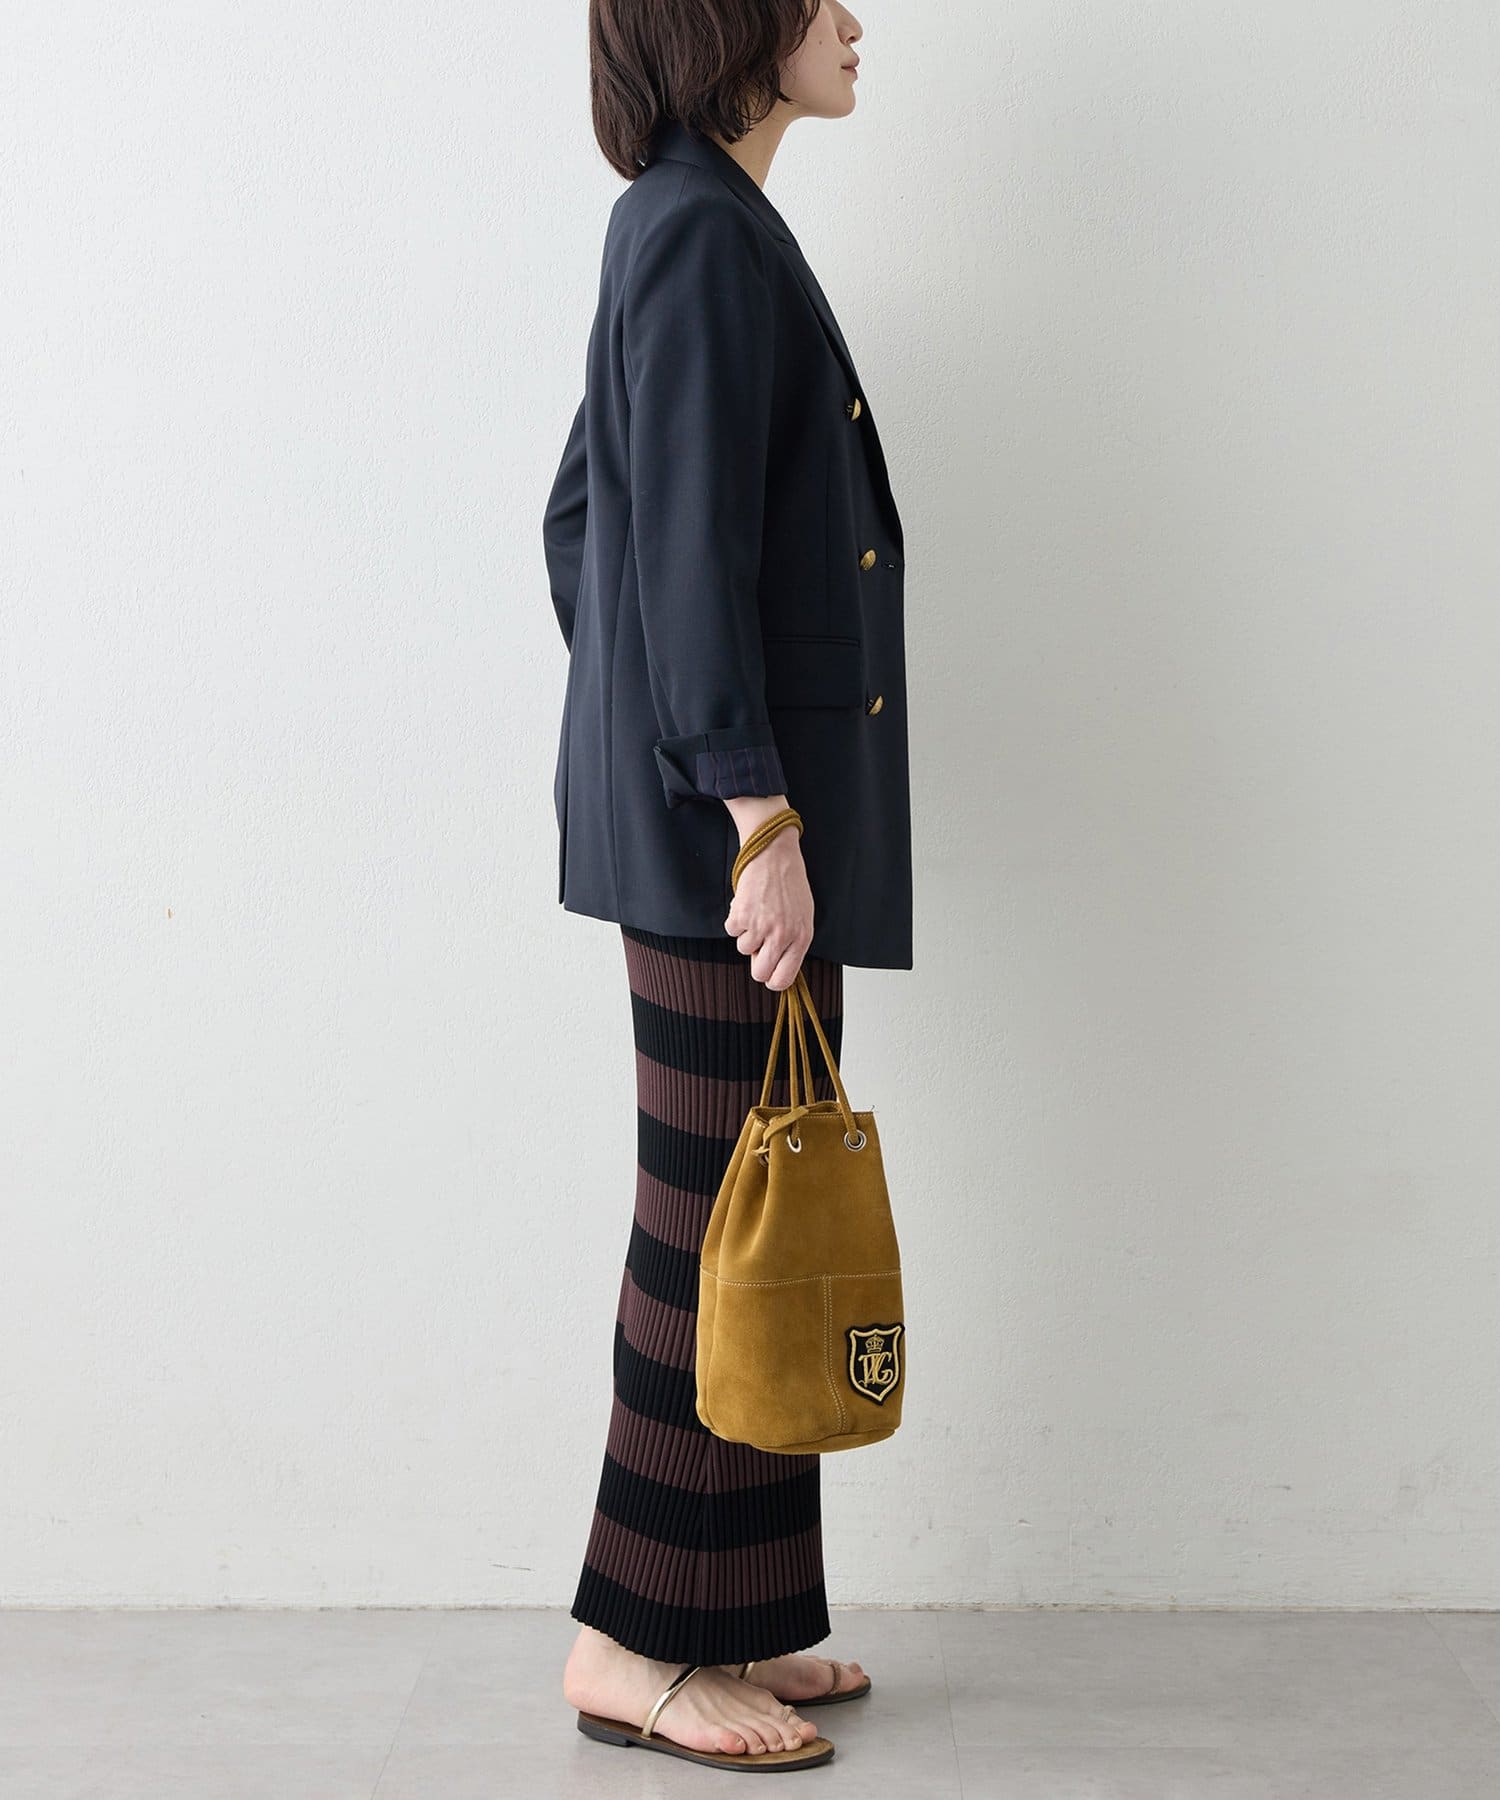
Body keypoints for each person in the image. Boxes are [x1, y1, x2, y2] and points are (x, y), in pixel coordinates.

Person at [542, 0, 912, 1773]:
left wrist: (664, 732)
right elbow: (670, 551)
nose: (853, 20)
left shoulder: (704, 223)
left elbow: (584, 522)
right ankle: (632, 1643)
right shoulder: (695, 231)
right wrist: (743, 803)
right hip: (730, 845)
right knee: (707, 1221)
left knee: (762, 1199)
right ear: (733, 25)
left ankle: (742, 1610)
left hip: (722, 823)